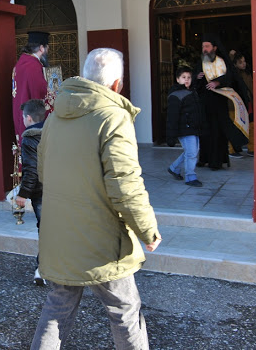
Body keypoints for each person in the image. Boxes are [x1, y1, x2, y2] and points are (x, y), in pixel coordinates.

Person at [31, 48, 162, 350]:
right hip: (100, 235)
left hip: (59, 231)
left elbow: (42, 170)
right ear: (117, 83)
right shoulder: (113, 116)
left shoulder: (55, 116)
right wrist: (147, 229)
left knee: (57, 307)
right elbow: (124, 183)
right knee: (125, 309)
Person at [193, 34, 248, 170]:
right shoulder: (200, 63)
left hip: (219, 103)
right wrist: (197, 77)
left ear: (215, 48)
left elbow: (230, 78)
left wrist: (218, 82)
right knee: (205, 133)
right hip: (204, 103)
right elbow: (194, 82)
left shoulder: (222, 62)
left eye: (207, 46)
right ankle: (204, 159)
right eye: (203, 47)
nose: (204, 49)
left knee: (217, 133)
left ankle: (216, 162)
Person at [14, 98, 46, 286]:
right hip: (62, 188)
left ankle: (42, 269)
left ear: (28, 118)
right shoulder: (56, 131)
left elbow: (32, 170)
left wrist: (23, 194)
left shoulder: (30, 137)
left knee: (46, 230)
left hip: (41, 191)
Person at [166, 67, 204, 187]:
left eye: (188, 77)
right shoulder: (175, 95)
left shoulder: (192, 92)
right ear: (178, 79)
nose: (186, 80)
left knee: (191, 151)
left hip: (193, 127)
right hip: (184, 128)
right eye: (183, 77)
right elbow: (172, 116)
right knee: (191, 153)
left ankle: (174, 168)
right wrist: (171, 135)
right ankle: (190, 177)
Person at [12, 31, 50, 139]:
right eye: (47, 48)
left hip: (22, 114)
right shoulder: (33, 66)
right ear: (42, 48)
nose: (47, 51)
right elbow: (40, 92)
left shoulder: (21, 62)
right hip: (32, 119)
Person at [232, 52, 254, 156]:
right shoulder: (233, 75)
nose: (243, 64)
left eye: (244, 61)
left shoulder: (247, 73)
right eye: (240, 62)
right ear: (235, 64)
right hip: (235, 104)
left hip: (248, 102)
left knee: (251, 125)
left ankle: (252, 147)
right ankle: (233, 149)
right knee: (236, 126)